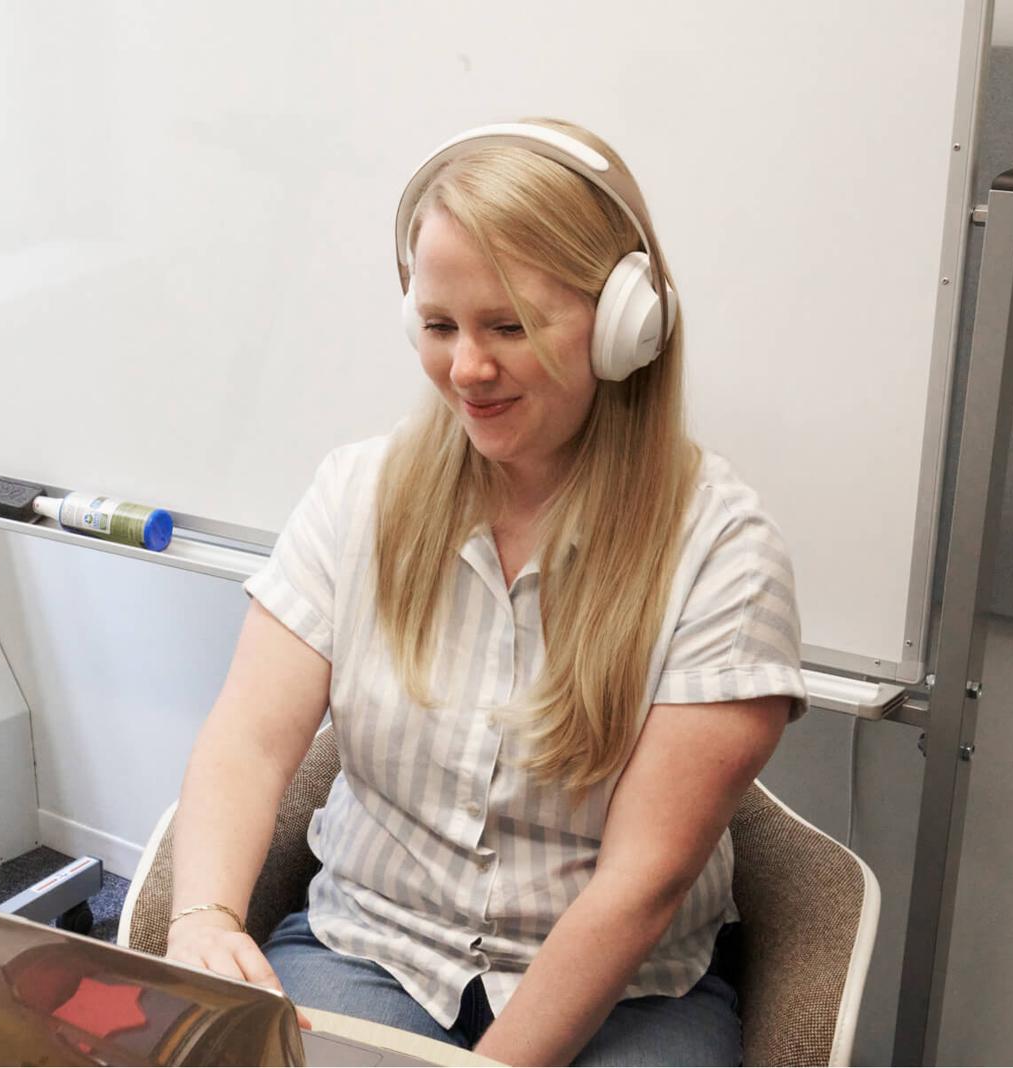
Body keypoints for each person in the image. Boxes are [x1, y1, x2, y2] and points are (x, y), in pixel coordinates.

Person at [162, 118, 807, 1067]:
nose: (467, 368)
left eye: (508, 326)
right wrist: (203, 917)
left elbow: (641, 886)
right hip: (372, 951)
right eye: (439, 326)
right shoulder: (357, 494)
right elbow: (251, 740)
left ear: (626, 325)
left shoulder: (724, 554)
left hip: (628, 995)